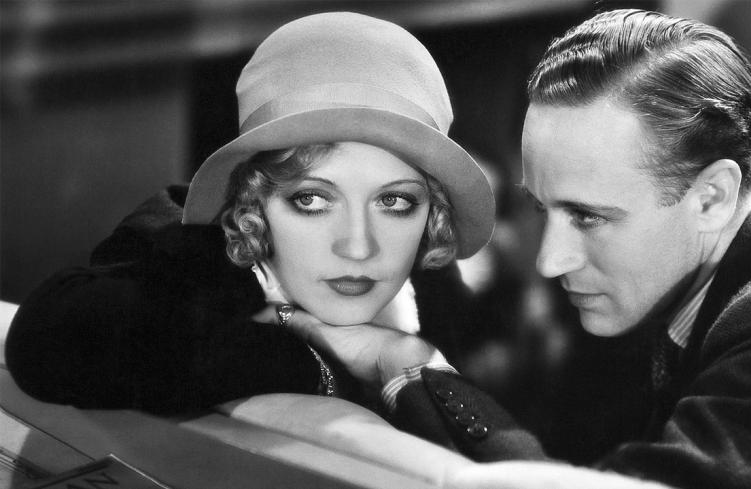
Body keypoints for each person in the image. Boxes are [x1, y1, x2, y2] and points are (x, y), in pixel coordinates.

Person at [285, 8, 751, 489]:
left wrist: (405, 363)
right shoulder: (682, 284)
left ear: (712, 197)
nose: (550, 260)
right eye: (543, 210)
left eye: (588, 216)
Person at [5, 12, 501, 416]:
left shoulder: (432, 285)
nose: (358, 246)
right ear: (251, 203)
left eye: (394, 202)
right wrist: (315, 361)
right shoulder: (189, 252)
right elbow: (45, 342)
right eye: (311, 199)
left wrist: (409, 362)